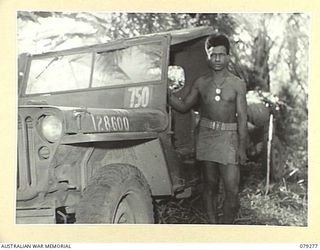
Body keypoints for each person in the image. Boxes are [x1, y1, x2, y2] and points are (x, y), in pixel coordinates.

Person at [168, 34, 248, 224]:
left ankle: (226, 228)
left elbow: (243, 118)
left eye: (221, 54)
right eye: (213, 55)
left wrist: (242, 148)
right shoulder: (201, 82)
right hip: (206, 136)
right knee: (210, 185)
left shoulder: (237, 84)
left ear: (228, 56)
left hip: (229, 138)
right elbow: (183, 106)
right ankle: (213, 226)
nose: (217, 59)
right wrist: (166, 94)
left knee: (232, 189)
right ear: (207, 57)